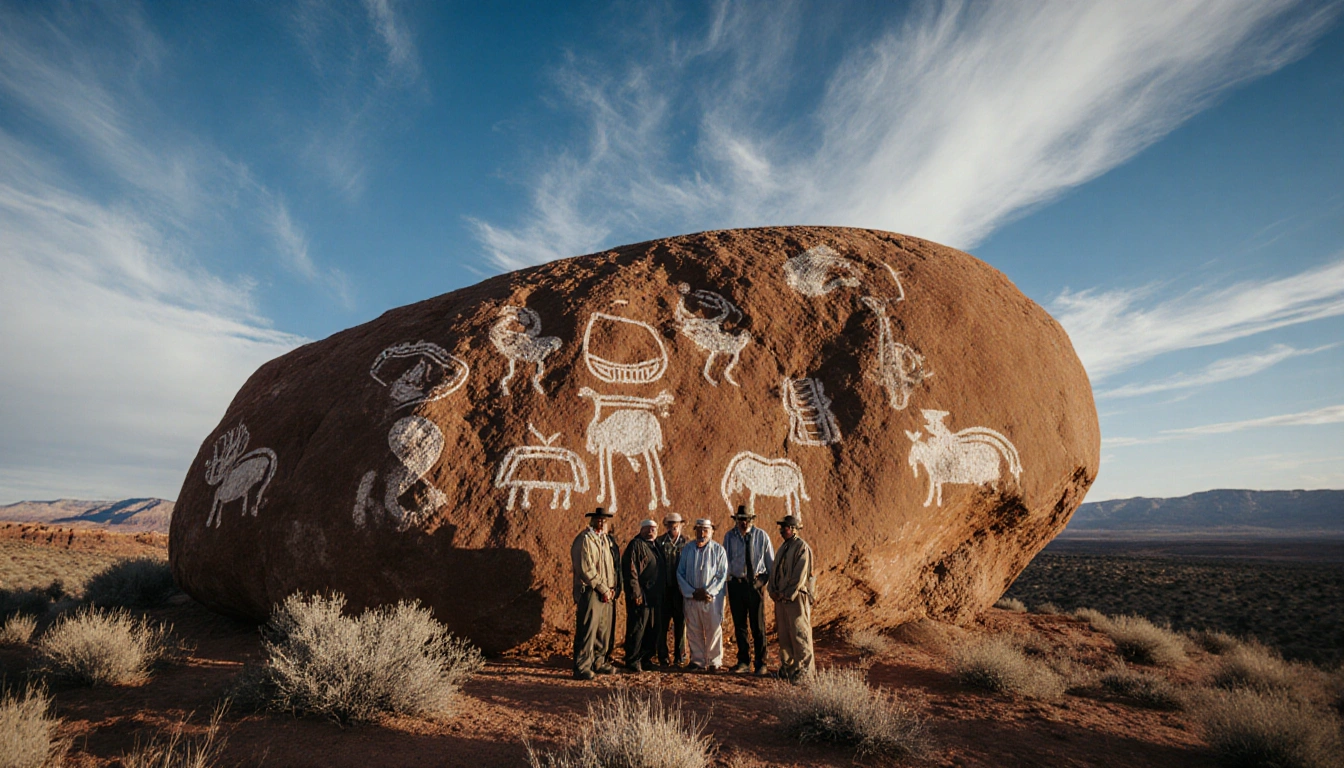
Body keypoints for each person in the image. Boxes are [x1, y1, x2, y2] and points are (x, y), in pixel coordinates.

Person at [723, 505, 774, 675]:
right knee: (740, 625)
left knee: (758, 625)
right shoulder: (729, 537)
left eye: (746, 519)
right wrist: (728, 582)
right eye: (740, 519)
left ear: (752, 520)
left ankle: (761, 662)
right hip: (736, 584)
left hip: (755, 584)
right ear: (736, 519)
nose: (743, 522)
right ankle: (743, 661)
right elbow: (725, 561)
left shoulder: (762, 536)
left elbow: (770, 564)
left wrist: (762, 582)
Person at [571, 507, 617, 680]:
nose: (601, 522)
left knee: (602, 630)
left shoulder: (604, 540)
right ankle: (582, 666)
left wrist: (610, 588)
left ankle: (599, 662)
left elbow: (610, 567)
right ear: (592, 520)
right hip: (590, 591)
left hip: (606, 591)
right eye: (598, 519)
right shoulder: (584, 540)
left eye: (604, 520)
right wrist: (602, 588)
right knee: (588, 630)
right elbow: (585, 569)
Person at [676, 518, 728, 671]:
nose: (702, 533)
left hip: (711, 599)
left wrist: (708, 592)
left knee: (713, 629)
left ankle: (714, 662)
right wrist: (691, 592)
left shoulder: (719, 551)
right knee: (693, 629)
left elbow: (721, 575)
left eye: (705, 530)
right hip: (692, 598)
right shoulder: (687, 549)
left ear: (712, 531)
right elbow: (680, 573)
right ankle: (697, 661)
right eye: (699, 530)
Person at [768, 514, 815, 682]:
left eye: (785, 528)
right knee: (785, 634)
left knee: (799, 633)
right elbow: (774, 571)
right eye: (781, 528)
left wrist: (787, 594)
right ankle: (788, 668)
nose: (782, 530)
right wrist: (772, 590)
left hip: (796, 598)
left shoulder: (802, 547)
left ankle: (805, 672)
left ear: (794, 529)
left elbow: (800, 575)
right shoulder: (783, 547)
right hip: (781, 599)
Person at [621, 519, 662, 673]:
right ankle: (632, 660)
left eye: (654, 528)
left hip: (654, 597)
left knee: (651, 629)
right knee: (637, 628)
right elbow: (631, 571)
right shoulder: (636, 545)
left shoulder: (655, 545)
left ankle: (646, 658)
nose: (651, 531)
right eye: (648, 528)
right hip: (641, 596)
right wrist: (636, 593)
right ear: (642, 529)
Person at [654, 512, 688, 667]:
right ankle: (662, 655)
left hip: (680, 590)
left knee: (680, 623)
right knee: (662, 623)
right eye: (670, 524)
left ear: (681, 524)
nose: (673, 526)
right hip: (664, 589)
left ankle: (680, 655)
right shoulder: (659, 542)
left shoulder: (686, 543)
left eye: (675, 524)